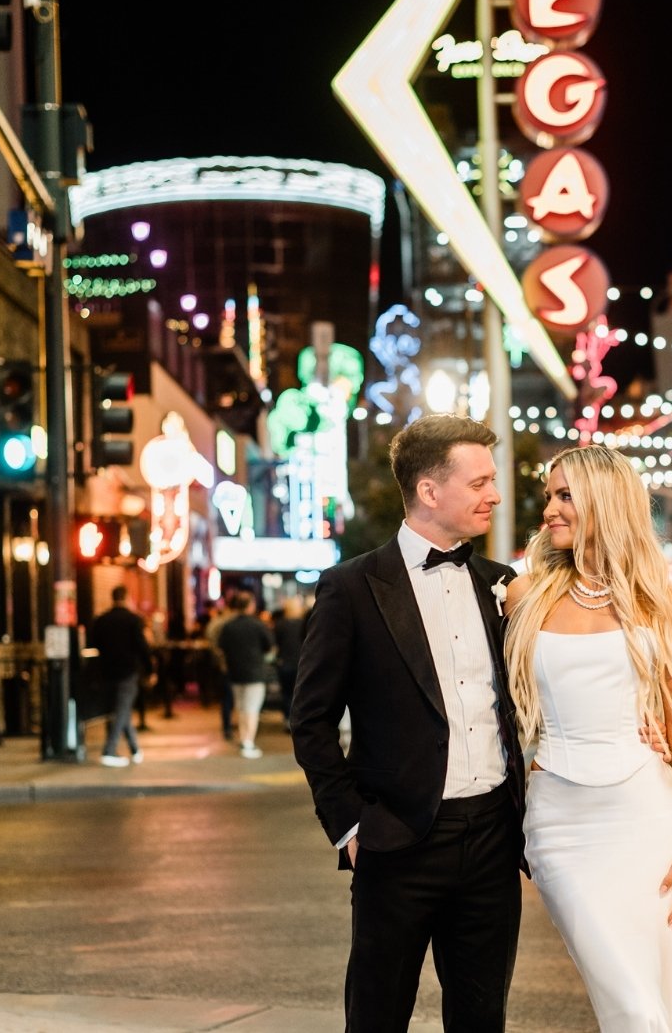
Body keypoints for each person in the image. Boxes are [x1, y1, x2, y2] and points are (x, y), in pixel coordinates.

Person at [290, 413, 527, 1033]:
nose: (494, 496)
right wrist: (349, 826)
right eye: (479, 483)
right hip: (396, 841)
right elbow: (310, 719)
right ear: (429, 490)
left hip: (493, 840)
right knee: (377, 1016)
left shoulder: (501, 585)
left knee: (483, 1018)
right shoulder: (351, 587)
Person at [504, 445, 672, 1033]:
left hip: (648, 818)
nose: (549, 510)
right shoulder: (525, 597)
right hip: (560, 825)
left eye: (564, 496)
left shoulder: (660, 600)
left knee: (651, 1001)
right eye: (549, 496)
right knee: (634, 1008)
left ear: (605, 501)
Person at [88, 584, 154, 768]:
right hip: (128, 671)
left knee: (119, 709)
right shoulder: (133, 620)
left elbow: (94, 644)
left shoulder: (101, 620)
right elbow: (142, 647)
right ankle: (109, 750)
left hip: (107, 671)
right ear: (126, 598)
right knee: (121, 709)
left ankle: (135, 749)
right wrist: (150, 670)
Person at [217, 590, 274, 758]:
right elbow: (269, 646)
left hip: (235, 672)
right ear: (250, 605)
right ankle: (248, 742)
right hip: (254, 672)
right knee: (252, 709)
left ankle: (244, 739)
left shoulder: (228, 626)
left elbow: (222, 647)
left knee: (241, 708)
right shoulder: (258, 625)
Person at [205, 591, 239, 739]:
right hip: (234, 665)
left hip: (222, 665)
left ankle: (227, 726)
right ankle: (232, 726)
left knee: (226, 698)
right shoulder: (231, 623)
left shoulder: (216, 622)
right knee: (234, 697)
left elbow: (211, 641)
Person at [273, 593, 307, 729]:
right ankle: (299, 719)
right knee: (300, 693)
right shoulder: (305, 623)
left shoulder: (280, 624)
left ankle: (287, 719)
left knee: (286, 693)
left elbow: (275, 644)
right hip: (302, 663)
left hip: (284, 662)